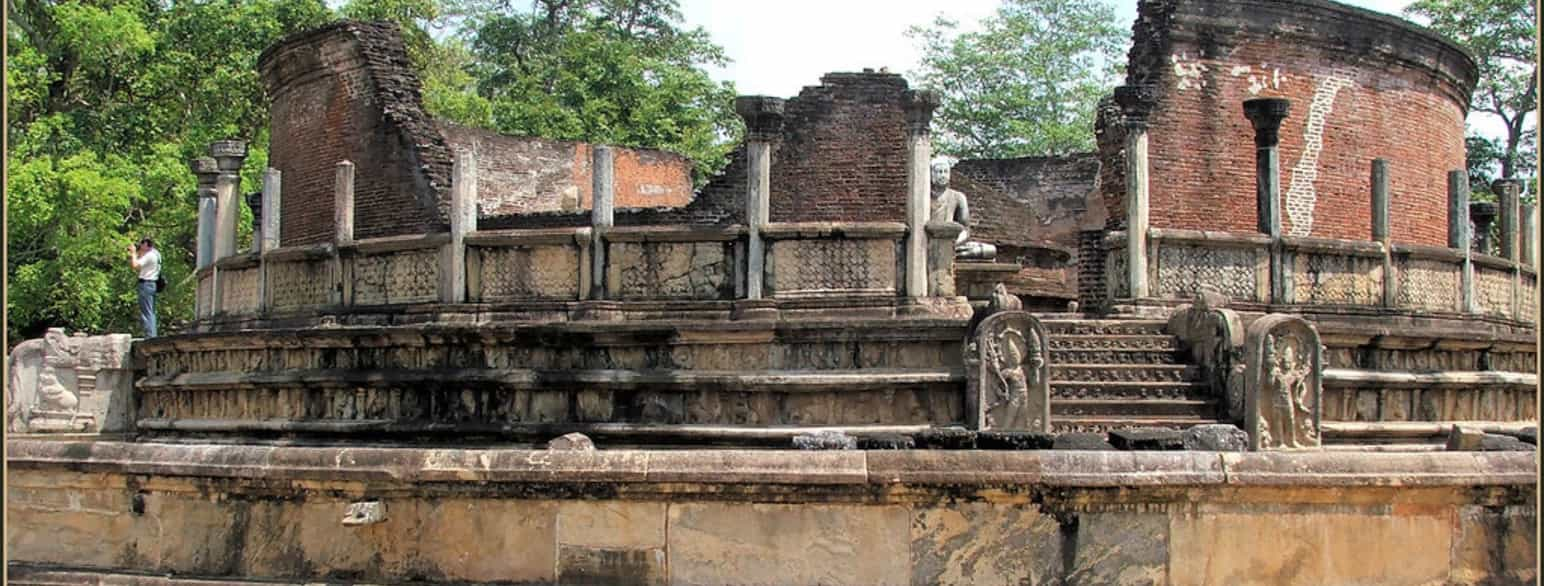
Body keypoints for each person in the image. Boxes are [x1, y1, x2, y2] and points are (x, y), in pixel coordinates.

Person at [129, 237, 161, 337]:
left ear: (147, 244)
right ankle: (151, 334)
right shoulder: (156, 254)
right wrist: (138, 253)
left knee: (146, 312)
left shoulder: (150, 255)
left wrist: (133, 253)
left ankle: (150, 336)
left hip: (146, 284)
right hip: (152, 284)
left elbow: (135, 265)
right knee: (150, 311)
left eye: (142, 244)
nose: (140, 246)